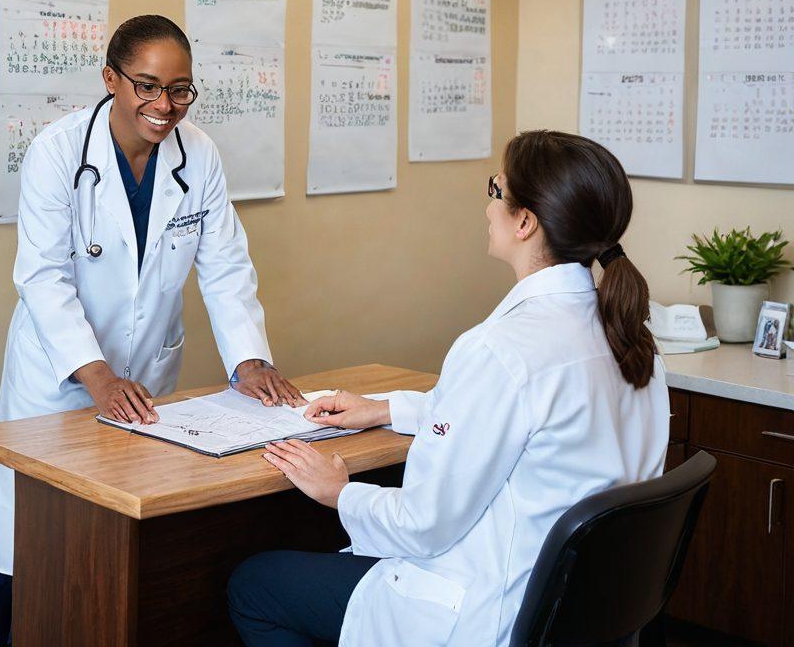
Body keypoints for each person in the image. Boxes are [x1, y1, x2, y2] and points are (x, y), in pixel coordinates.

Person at [227, 130, 670, 647]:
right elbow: (518, 424)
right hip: (580, 618)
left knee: (253, 586)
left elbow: (424, 524)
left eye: (495, 192)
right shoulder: (632, 339)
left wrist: (340, 493)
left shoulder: (501, 350)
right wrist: (383, 409)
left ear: (525, 222)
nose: (488, 209)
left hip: (487, 617)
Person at [0, 14, 302, 646]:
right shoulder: (59, 151)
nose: (165, 105)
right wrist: (95, 374)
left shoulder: (197, 154)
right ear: (111, 79)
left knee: (122, 546)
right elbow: (42, 278)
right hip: (61, 379)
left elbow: (225, 263)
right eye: (147, 86)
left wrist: (250, 360)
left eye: (180, 89)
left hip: (145, 378)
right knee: (28, 546)